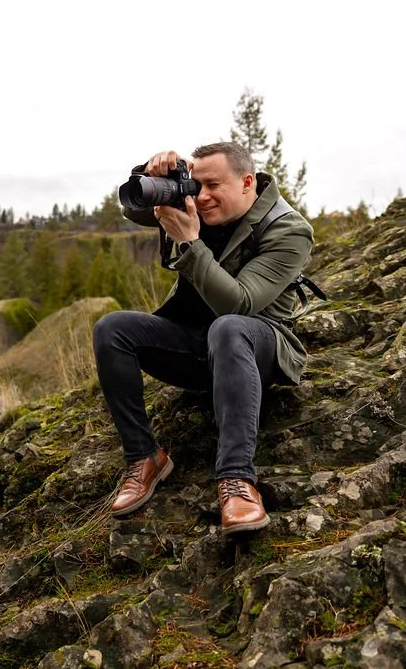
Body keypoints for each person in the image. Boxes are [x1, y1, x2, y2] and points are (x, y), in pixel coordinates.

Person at [91, 141, 314, 534]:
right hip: (197, 348)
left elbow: (241, 305)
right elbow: (133, 207)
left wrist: (191, 244)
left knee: (226, 327)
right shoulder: (201, 205)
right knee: (111, 329)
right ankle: (145, 458)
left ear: (247, 182)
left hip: (257, 349)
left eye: (213, 186)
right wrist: (150, 173)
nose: (202, 196)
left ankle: (237, 481)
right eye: (196, 186)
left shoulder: (288, 229)